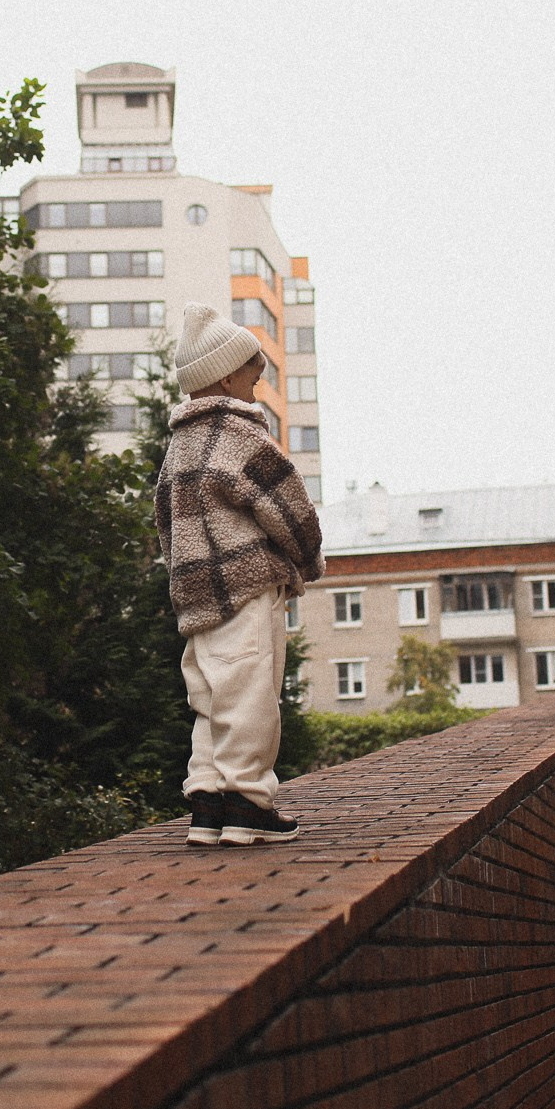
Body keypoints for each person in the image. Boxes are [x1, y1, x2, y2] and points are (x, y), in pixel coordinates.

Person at [153, 302, 326, 846]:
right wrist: (307, 558)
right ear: (226, 375)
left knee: (210, 696)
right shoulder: (239, 434)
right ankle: (248, 804)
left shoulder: (178, 447)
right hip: (247, 584)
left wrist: (183, 579)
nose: (259, 381)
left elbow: (166, 522)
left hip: (196, 593)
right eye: (254, 370)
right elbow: (288, 505)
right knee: (250, 693)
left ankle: (207, 800)